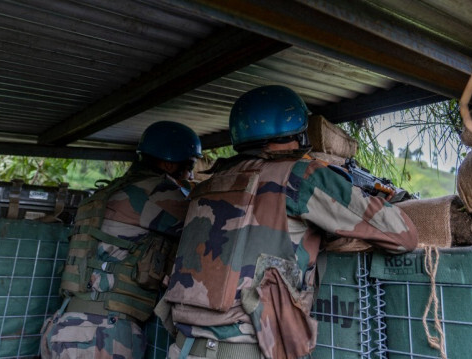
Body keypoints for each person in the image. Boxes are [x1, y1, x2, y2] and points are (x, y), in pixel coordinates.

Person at [156, 85, 418, 359]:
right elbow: (403, 235)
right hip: (243, 350)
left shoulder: (206, 186)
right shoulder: (300, 176)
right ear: (296, 132)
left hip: (182, 348)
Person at [41, 121, 202, 359]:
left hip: (65, 324)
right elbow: (207, 224)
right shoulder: (158, 192)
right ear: (170, 163)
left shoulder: (113, 189)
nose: (189, 175)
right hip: (100, 335)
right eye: (189, 167)